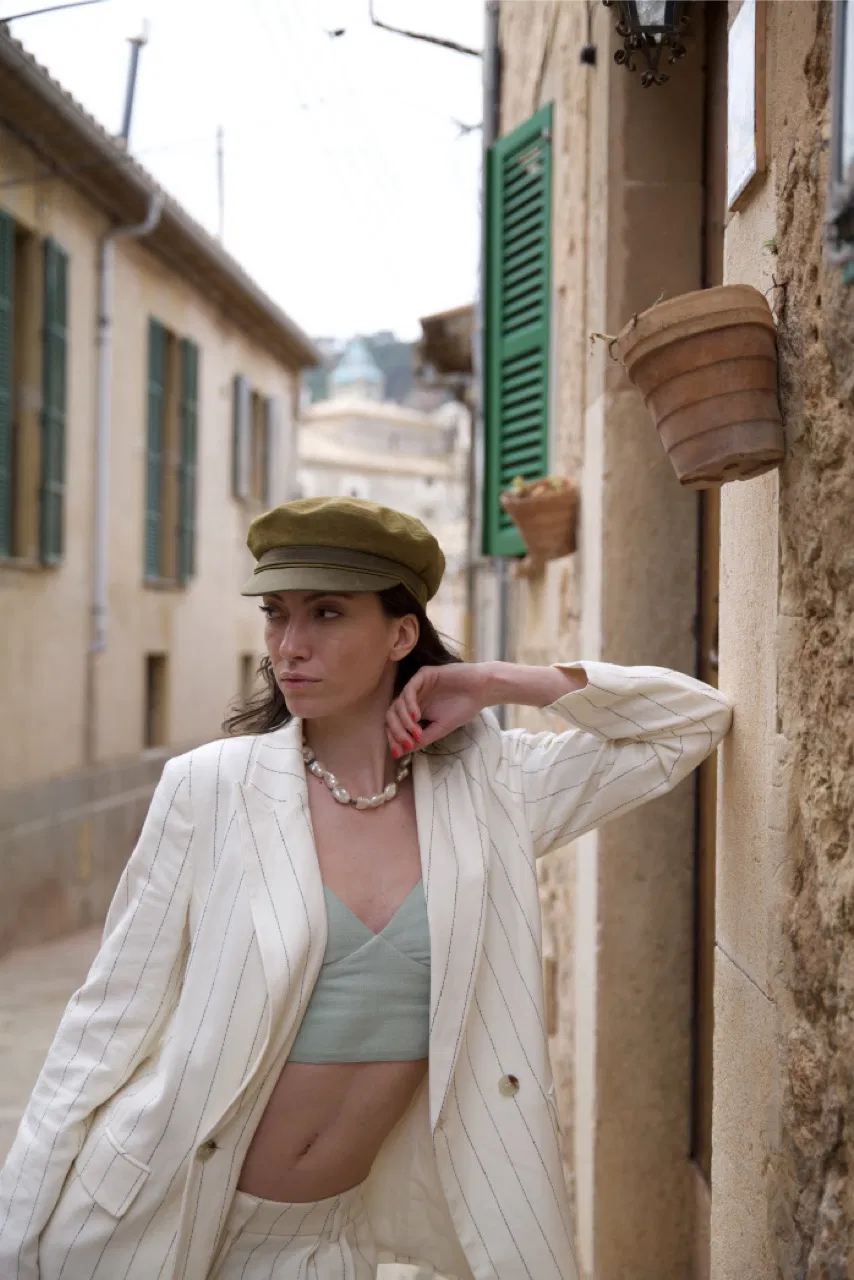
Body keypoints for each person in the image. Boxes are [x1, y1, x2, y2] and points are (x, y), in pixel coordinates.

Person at [0, 497, 732, 1280]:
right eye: (276, 614)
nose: (290, 645)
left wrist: (495, 681)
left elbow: (691, 721)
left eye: (326, 613)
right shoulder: (209, 789)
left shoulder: (493, 791)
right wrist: (15, 1233)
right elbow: (107, 1019)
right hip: (153, 1221)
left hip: (325, 1244)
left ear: (401, 634)